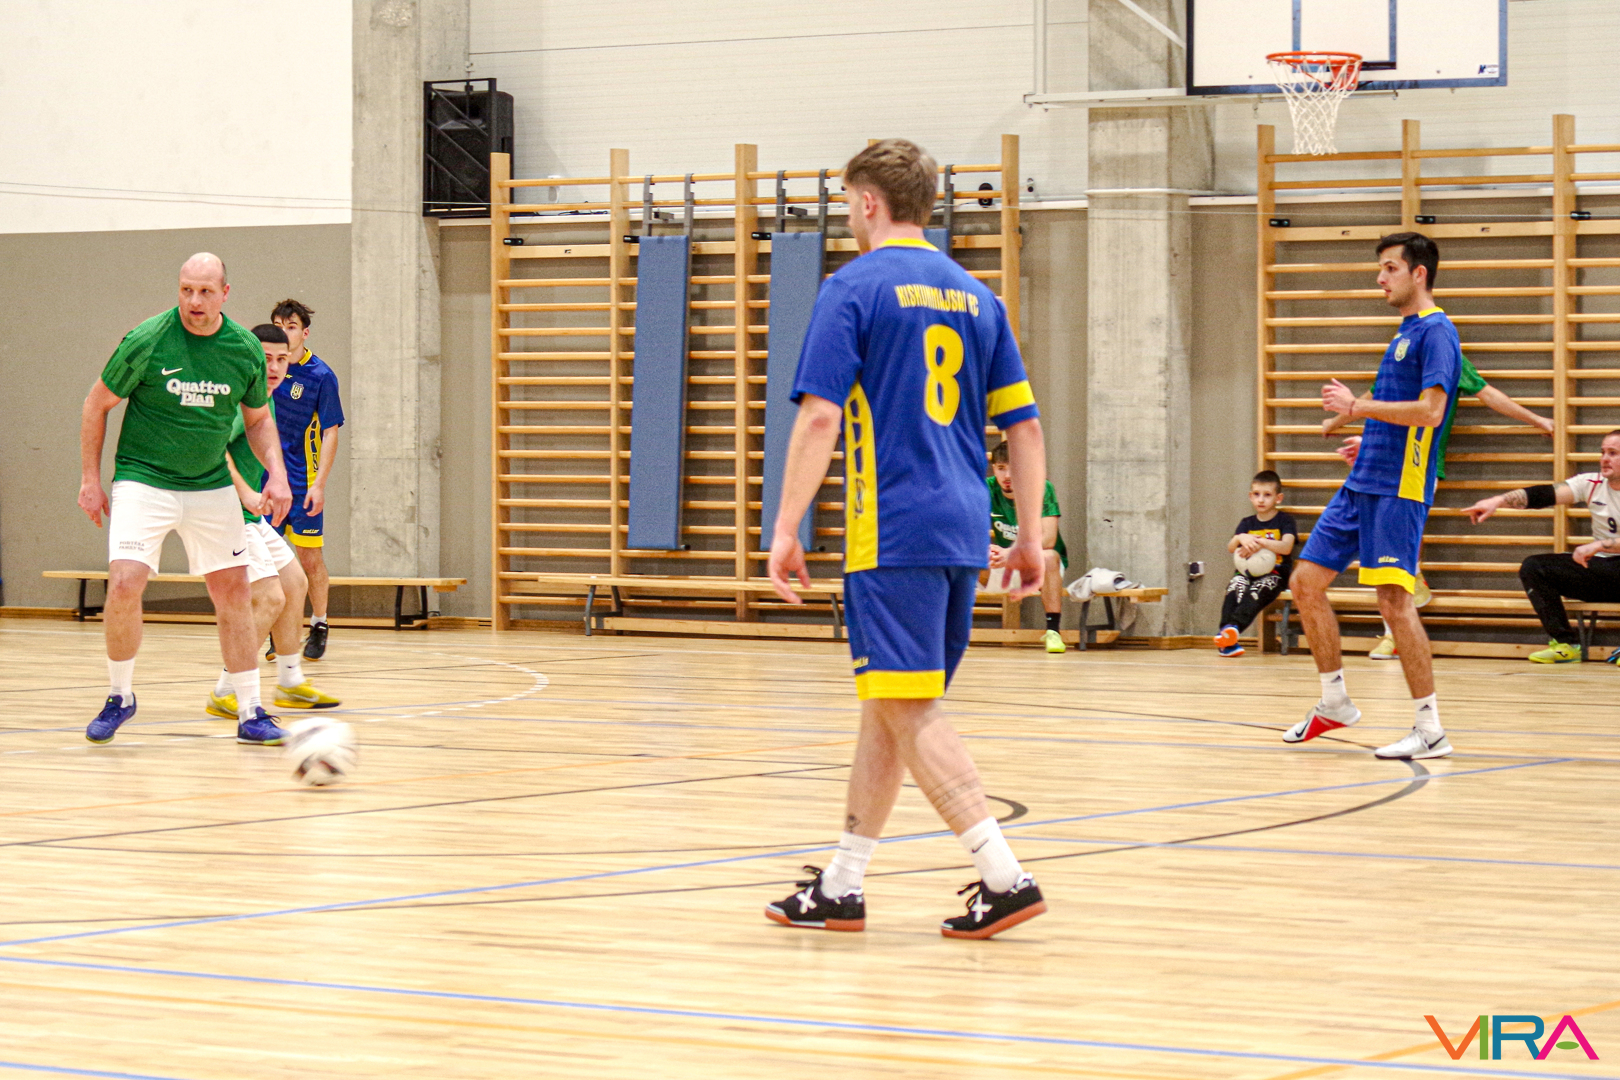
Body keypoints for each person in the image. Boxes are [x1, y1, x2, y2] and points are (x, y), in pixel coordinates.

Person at [764, 139, 1047, 939]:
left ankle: (1005, 876)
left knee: (908, 705)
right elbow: (1023, 428)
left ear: (868, 203)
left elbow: (820, 416)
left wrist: (785, 527)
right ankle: (842, 884)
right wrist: (1030, 536)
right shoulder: (978, 297)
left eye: (846, 203)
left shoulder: (852, 287)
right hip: (962, 528)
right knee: (889, 703)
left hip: (890, 527)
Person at [77, 253, 293, 745]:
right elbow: (96, 403)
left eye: (205, 291)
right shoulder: (147, 340)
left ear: (224, 293)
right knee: (125, 582)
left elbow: (258, 419)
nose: (194, 301)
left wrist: (277, 475)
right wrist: (91, 479)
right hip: (143, 478)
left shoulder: (244, 349)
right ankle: (120, 696)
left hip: (209, 482)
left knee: (234, 591)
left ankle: (250, 711)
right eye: (186, 290)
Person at [1284, 232, 1461, 760]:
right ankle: (1334, 702)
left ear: (1418, 273)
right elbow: (1400, 410)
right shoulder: (1405, 331)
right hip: (1364, 479)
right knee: (1305, 583)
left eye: (1389, 268)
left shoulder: (1437, 332)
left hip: (1399, 488)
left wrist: (1356, 408)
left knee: (1393, 602)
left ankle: (1430, 729)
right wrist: (1370, 436)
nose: (1380, 278)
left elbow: (1431, 412)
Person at [1326, 355, 1552, 659]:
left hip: (1419, 464)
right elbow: (1371, 397)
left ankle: (1396, 631)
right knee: (1387, 546)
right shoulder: (1400, 355)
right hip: (1383, 459)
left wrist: (1537, 419)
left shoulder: (1449, 357)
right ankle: (1410, 593)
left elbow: (1490, 395)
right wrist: (1336, 421)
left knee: (1396, 548)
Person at [205, 324, 342, 718]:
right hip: (226, 511)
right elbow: (214, 451)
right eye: (266, 358)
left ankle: (289, 682)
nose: (275, 367)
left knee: (295, 583)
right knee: (269, 598)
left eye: (282, 359)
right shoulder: (235, 398)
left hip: (250, 514)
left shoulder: (266, 398)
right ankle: (225, 689)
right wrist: (246, 493)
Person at [1465, 429, 1620, 663]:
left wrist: (1599, 545)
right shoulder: (1591, 483)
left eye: (1613, 453)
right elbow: (1543, 495)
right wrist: (1497, 501)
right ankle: (1566, 645)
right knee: (1535, 567)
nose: (1605, 459)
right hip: (1602, 571)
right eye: (1602, 452)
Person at [269, 299, 345, 661]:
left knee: (309, 558)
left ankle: (319, 624)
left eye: (291, 327)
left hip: (303, 482)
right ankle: (278, 630)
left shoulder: (321, 375)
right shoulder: (264, 371)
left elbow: (331, 432)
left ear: (304, 332)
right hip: (267, 482)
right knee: (268, 559)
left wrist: (320, 484)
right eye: (278, 326)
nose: (285, 333)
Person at [985, 438, 1069, 653]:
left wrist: (1014, 552)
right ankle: (948, 630)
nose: (1007, 476)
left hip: (1035, 564)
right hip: (1003, 564)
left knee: (1049, 556)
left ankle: (1053, 632)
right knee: (960, 555)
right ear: (993, 468)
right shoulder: (986, 488)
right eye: (1001, 468)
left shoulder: (1042, 488)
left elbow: (1048, 539)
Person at [1213, 471, 1296, 657]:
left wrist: (1261, 542)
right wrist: (1240, 537)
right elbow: (1231, 547)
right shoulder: (1247, 523)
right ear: (1251, 496)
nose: (1261, 500)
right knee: (1234, 589)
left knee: (1255, 593)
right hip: (1246, 572)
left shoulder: (1285, 521)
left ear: (1278, 498)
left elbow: (1286, 547)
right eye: (1257, 494)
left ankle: (1233, 628)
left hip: (1275, 573)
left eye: (1267, 495)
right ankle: (1226, 636)